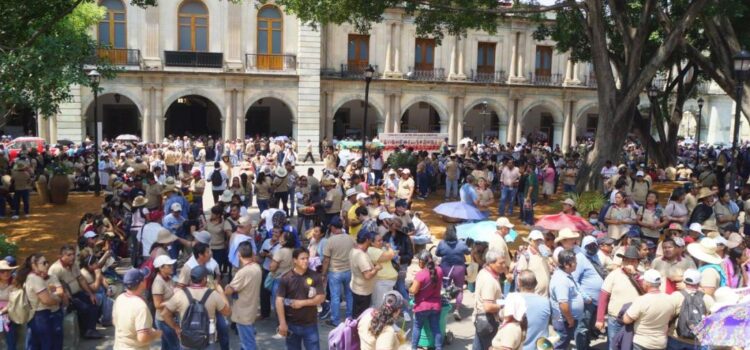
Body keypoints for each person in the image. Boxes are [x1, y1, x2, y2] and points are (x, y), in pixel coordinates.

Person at [162, 265, 231, 349]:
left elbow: (165, 313)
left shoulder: (180, 294)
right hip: (208, 340)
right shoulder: (213, 295)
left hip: (187, 340)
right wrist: (220, 290)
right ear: (205, 279)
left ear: (191, 279)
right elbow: (227, 312)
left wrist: (176, 327)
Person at [47, 244, 103, 339]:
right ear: (61, 256)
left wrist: (90, 294)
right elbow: (54, 288)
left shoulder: (74, 264)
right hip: (68, 297)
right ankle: (85, 330)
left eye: (73, 254)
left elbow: (81, 279)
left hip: (78, 293)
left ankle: (90, 330)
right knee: (84, 308)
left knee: (94, 303)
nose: (72, 257)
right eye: (68, 255)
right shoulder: (55, 269)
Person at [276, 248, 326, 350]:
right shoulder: (286, 278)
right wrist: (282, 323)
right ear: (295, 260)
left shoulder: (315, 276)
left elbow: (321, 298)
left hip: (310, 324)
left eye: (307, 258)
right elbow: (279, 301)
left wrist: (302, 303)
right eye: (302, 258)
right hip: (291, 325)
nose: (306, 261)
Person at [595, 245, 643, 349]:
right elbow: (603, 296)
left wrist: (635, 275)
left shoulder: (641, 276)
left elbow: (646, 293)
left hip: (634, 318)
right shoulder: (614, 275)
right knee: (614, 345)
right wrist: (600, 319)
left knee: (629, 346)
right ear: (623, 261)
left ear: (638, 262)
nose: (630, 263)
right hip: (615, 318)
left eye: (633, 261)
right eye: (627, 260)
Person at [623, 270, 679, 350]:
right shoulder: (670, 299)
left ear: (647, 284)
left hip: (642, 342)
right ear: (659, 284)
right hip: (660, 343)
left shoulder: (641, 300)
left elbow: (626, 320)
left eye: (643, 281)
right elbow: (670, 317)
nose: (642, 283)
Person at [224, 241, 262, 350]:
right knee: (246, 341)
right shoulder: (256, 267)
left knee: (248, 344)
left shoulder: (243, 273)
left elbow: (229, 291)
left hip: (243, 313)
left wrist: (226, 286)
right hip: (251, 310)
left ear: (239, 255)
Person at [113, 268, 162, 349]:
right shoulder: (140, 306)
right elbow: (142, 337)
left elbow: (115, 321)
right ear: (141, 283)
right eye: (144, 279)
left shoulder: (120, 298)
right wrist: (157, 334)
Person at [321, 216, 355, 326]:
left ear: (333, 228)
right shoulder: (350, 238)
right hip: (348, 270)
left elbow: (326, 260)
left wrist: (323, 273)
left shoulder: (330, 241)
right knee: (349, 295)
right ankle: (350, 317)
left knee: (335, 297)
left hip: (335, 271)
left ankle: (335, 320)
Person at [549, 249, 585, 350]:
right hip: (564, 321)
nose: (576, 264)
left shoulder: (566, 275)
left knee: (563, 343)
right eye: (574, 262)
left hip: (566, 320)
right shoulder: (561, 280)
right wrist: (570, 319)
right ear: (566, 264)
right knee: (560, 344)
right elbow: (563, 304)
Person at [409, 251, 444, 350]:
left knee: (417, 327)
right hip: (436, 306)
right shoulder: (440, 270)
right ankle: (438, 348)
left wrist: (409, 287)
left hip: (422, 307)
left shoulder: (420, 275)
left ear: (421, 262)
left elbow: (413, 291)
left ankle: (414, 348)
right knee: (436, 328)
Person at [473, 250, 506, 350]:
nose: (504, 265)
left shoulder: (485, 272)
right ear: (491, 263)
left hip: (482, 320)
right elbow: (488, 307)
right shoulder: (489, 280)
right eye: (501, 263)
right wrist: (503, 305)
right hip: (488, 321)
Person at [436, 226, 470, 318]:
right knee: (459, 289)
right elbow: (467, 252)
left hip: (446, 268)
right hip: (459, 268)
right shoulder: (461, 243)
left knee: (445, 288)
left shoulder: (442, 243)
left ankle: (444, 307)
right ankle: (457, 309)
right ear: (455, 233)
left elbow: (437, 253)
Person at [516, 270, 551, 350]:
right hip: (542, 347)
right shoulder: (545, 302)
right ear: (535, 283)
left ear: (519, 283)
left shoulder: (513, 300)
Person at [350, 231, 381, 318]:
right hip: (362, 292)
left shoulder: (354, 250)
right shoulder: (361, 255)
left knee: (357, 314)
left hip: (358, 288)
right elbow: (367, 276)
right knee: (361, 316)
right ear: (367, 240)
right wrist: (376, 268)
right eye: (370, 240)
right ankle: (358, 330)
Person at [151, 255, 179, 350]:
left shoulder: (169, 278)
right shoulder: (158, 283)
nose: (172, 267)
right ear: (161, 268)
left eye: (172, 265)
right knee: (175, 346)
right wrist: (172, 302)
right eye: (169, 265)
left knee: (167, 346)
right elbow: (157, 305)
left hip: (170, 316)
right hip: (163, 320)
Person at [368, 232, 398, 308]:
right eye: (379, 241)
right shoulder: (371, 250)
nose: (381, 242)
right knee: (380, 305)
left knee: (386, 305)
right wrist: (389, 248)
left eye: (382, 240)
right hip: (381, 282)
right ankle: (377, 319)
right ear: (371, 243)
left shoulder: (380, 249)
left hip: (386, 282)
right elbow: (390, 255)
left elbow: (394, 253)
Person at [0, 259, 18, 348]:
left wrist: (3, 311)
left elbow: (14, 300)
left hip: (10, 313)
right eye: (2, 271)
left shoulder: (15, 283)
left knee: (11, 339)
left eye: (8, 271)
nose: (6, 273)